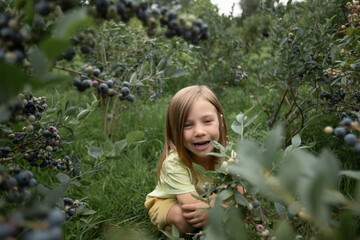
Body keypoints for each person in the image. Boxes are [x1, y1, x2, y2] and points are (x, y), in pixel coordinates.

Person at [144, 85, 228, 236]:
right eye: (187, 125)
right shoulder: (175, 163)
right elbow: (193, 207)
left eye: (207, 121)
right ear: (175, 130)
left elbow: (244, 190)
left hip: (205, 200)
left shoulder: (227, 154)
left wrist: (218, 204)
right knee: (186, 221)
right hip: (169, 202)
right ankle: (173, 229)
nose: (199, 132)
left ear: (220, 122)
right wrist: (224, 201)